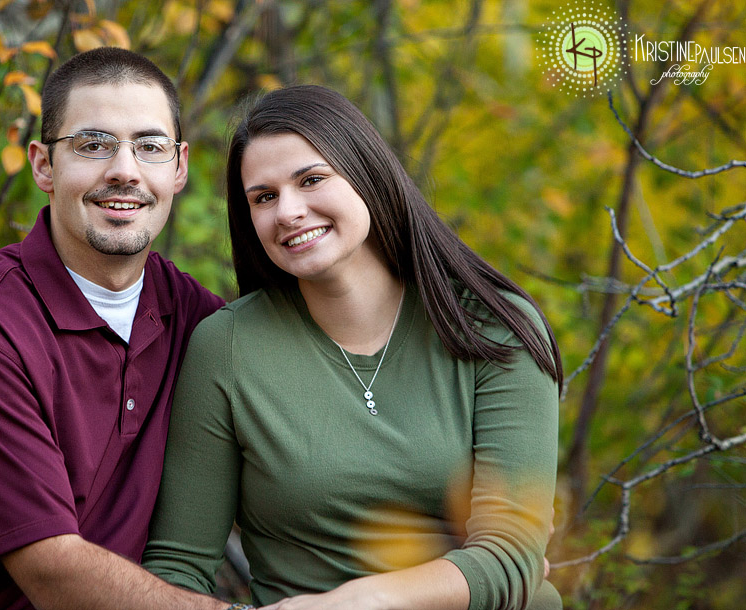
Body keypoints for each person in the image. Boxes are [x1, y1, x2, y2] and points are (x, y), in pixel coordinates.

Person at [142, 84, 563, 610]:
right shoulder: (228, 348)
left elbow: (511, 555)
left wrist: (347, 604)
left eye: (312, 180)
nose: (289, 211)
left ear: (367, 174)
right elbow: (180, 565)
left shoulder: (493, 328)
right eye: (264, 197)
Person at [0, 47, 249, 610]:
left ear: (179, 169)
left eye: (149, 147)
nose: (124, 170)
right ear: (43, 165)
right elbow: (52, 570)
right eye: (93, 145)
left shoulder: (196, 318)